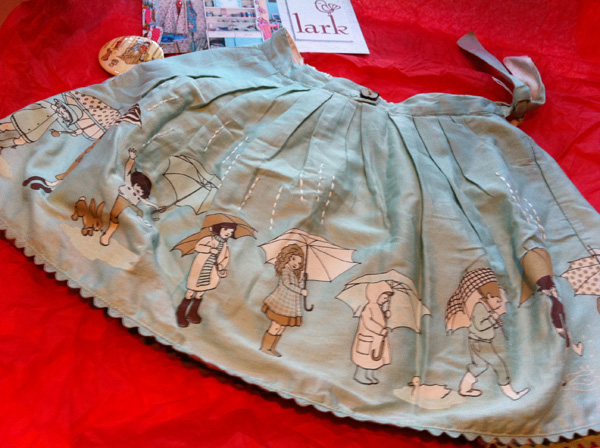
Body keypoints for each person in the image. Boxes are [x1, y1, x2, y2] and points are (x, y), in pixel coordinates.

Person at [458, 282, 530, 400]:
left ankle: (464, 389)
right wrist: (493, 319)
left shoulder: (487, 307)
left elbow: (486, 324)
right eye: (497, 301)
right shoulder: (480, 307)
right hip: (480, 342)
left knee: (480, 366)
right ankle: (512, 394)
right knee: (499, 366)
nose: (499, 304)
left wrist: (495, 322)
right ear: (489, 296)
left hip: (479, 341)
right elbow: (480, 325)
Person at [175, 221, 237, 327]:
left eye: (231, 232)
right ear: (219, 229)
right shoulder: (209, 239)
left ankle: (192, 313)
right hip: (200, 269)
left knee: (201, 292)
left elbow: (226, 258)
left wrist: (221, 266)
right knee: (191, 291)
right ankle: (180, 313)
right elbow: (198, 246)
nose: (228, 233)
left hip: (211, 271)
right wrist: (210, 249)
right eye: (226, 229)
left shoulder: (225, 246)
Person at [100, 148, 162, 246]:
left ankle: (139, 224)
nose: (139, 191)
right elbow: (127, 171)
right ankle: (108, 234)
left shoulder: (138, 197)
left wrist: (155, 206)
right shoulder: (129, 185)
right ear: (135, 182)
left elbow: (145, 202)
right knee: (114, 216)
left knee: (139, 213)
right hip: (122, 200)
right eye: (139, 187)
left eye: (141, 191)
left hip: (130, 205)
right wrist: (131, 159)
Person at [260, 244, 307, 357]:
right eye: (294, 259)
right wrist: (301, 291)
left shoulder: (294, 273)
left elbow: (298, 286)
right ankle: (265, 347)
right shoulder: (286, 270)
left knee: (281, 328)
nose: (296, 264)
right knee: (276, 325)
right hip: (281, 303)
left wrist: (302, 279)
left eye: (299, 263)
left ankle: (272, 348)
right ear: (288, 257)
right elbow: (287, 284)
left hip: (289, 305)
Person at [351, 281, 392, 385]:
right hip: (368, 339)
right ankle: (360, 375)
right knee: (365, 358)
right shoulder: (369, 307)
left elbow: (379, 320)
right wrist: (380, 330)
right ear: (376, 295)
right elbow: (368, 322)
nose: (386, 300)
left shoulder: (378, 308)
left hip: (377, 340)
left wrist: (385, 315)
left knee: (374, 359)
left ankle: (369, 375)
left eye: (387, 298)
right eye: (384, 297)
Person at [537, 275, 583, 355]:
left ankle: (572, 347)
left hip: (561, 316)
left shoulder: (557, 299)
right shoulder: (555, 300)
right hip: (559, 318)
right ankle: (571, 347)